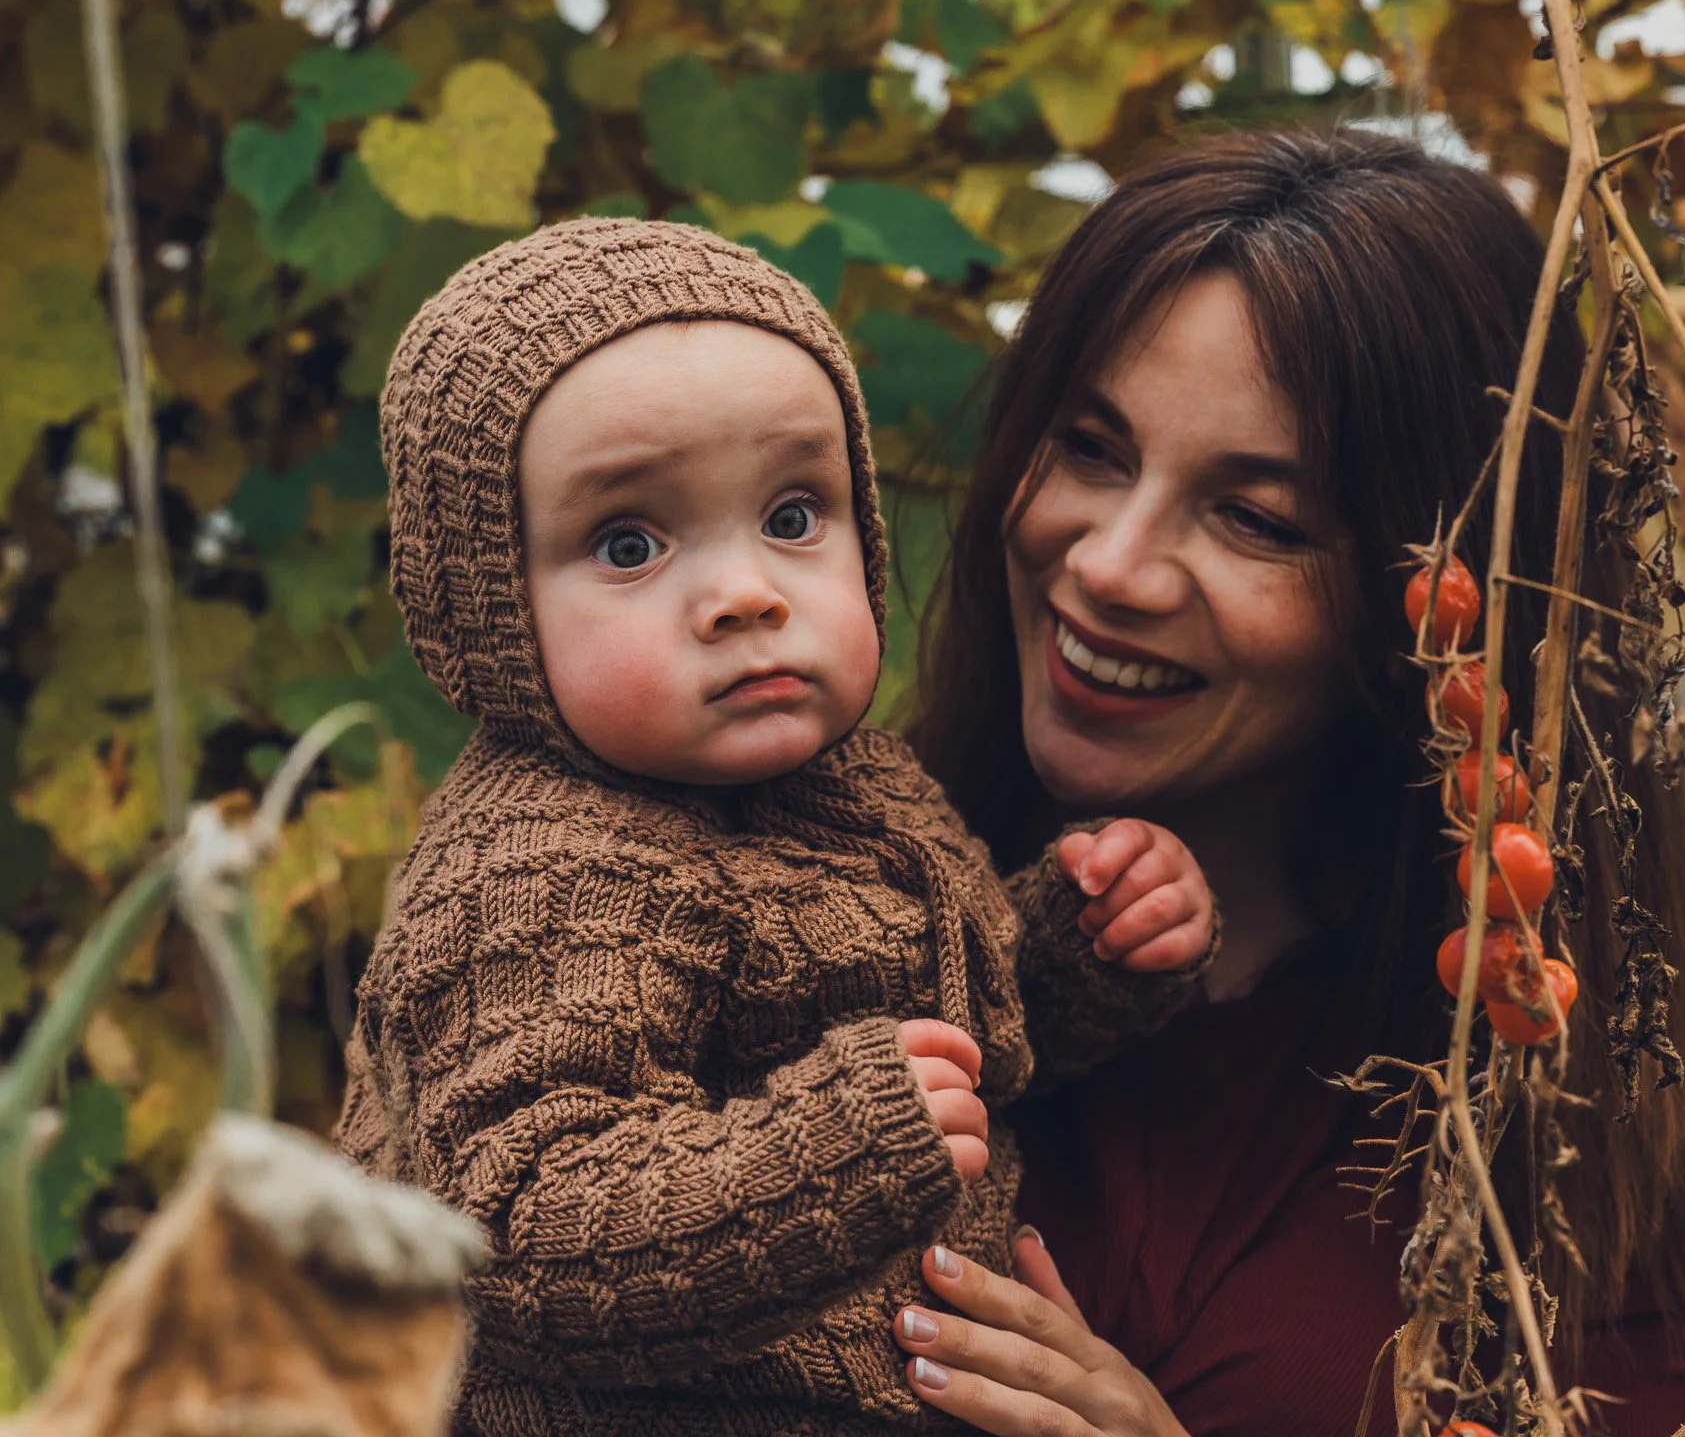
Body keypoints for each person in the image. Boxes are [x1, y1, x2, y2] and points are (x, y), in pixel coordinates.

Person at [891, 127, 1685, 1435]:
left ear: (1439, 612)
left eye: (1256, 520)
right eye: (1090, 449)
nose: (1112, 566)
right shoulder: (794, 926)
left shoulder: (1550, 1141)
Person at [333, 218, 1217, 1435]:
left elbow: (955, 1032)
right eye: (629, 544)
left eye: (794, 515)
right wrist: (844, 1140)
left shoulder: (852, 783)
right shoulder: (539, 869)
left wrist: (1083, 945)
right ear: (488, 606)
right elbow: (520, 1222)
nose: (746, 594)